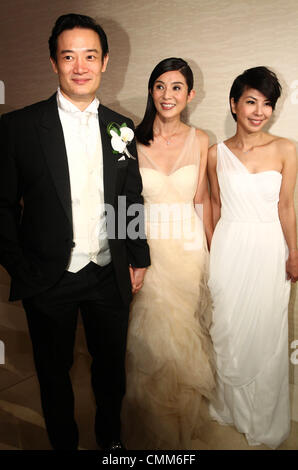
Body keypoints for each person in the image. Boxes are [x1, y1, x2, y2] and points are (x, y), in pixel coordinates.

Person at [0, 13, 150, 450]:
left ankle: (111, 448)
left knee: (111, 374)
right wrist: (22, 270)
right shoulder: (18, 127)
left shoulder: (121, 127)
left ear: (105, 62)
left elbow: (130, 199)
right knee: (52, 373)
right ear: (54, 63)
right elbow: (3, 207)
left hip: (108, 273)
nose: (80, 66)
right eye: (69, 56)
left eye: (90, 56)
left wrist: (137, 257)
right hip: (48, 277)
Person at [121, 58, 215, 450]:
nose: (167, 95)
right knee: (151, 341)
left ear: (190, 94)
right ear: (151, 91)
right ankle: (153, 429)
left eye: (177, 87)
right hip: (148, 249)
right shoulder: (129, 138)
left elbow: (202, 200)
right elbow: (124, 202)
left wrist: (211, 250)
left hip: (188, 249)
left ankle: (179, 424)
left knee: (183, 337)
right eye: (160, 86)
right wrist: (128, 253)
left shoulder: (201, 140)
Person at [207, 66, 298, 448]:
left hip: (268, 248)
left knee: (267, 331)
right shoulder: (215, 153)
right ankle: (231, 409)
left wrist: (294, 252)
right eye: (251, 101)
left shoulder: (286, 148)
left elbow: (286, 205)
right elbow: (212, 204)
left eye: (266, 104)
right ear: (234, 104)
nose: (259, 111)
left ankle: (263, 420)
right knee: (227, 327)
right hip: (228, 248)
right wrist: (212, 253)